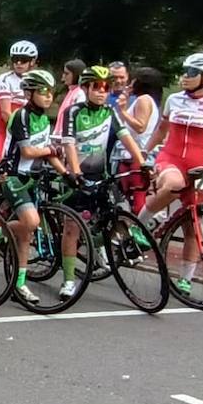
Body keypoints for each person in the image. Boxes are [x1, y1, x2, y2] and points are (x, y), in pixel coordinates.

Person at [139, 53, 203, 294]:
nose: (185, 77)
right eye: (184, 72)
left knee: (191, 227)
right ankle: (140, 224)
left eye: (191, 73)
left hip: (198, 165)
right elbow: (160, 132)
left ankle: (186, 278)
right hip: (170, 158)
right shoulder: (174, 100)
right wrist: (143, 154)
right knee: (173, 183)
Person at [59, 65, 147, 300]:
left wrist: (141, 161)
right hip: (76, 176)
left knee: (117, 214)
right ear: (85, 88)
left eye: (106, 87)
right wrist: (76, 172)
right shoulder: (74, 112)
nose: (101, 91)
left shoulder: (110, 111)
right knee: (72, 228)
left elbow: (126, 137)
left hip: (101, 174)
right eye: (96, 87)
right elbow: (69, 143)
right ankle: (68, 280)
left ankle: (120, 245)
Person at [0, 68, 67, 305]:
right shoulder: (21, 116)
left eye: (51, 92)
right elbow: (28, 151)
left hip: (32, 177)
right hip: (12, 175)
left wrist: (67, 173)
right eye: (43, 91)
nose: (48, 96)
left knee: (26, 234)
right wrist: (51, 150)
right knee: (32, 222)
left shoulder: (44, 119)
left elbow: (47, 152)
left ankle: (19, 284)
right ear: (29, 93)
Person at [115, 66, 163, 212]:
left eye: (134, 80)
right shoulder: (146, 100)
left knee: (136, 200)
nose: (130, 83)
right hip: (135, 155)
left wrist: (122, 112)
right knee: (135, 199)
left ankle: (139, 230)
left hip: (135, 155)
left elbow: (140, 126)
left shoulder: (143, 100)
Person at [0, 40, 37, 160]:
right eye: (15, 59)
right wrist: (22, 135)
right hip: (4, 130)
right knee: (0, 169)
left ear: (32, 61)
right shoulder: (5, 79)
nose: (18, 63)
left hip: (28, 129)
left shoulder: (36, 80)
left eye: (23, 59)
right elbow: (6, 113)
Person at [53, 59, 87, 134]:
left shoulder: (80, 93)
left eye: (67, 74)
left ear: (76, 75)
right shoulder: (71, 91)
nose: (63, 76)